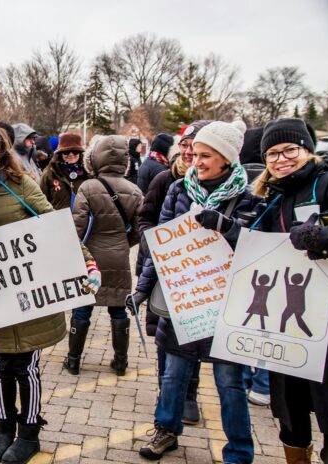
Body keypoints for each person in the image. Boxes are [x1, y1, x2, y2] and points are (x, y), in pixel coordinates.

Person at [0, 123, 100, 464]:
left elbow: (52, 222)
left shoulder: (20, 184)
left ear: (1, 151)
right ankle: (3, 426)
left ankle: (30, 431)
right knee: (1, 363)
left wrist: (88, 262)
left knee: (27, 364)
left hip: (30, 288)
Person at [132, 121, 261, 462]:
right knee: (173, 375)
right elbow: (164, 249)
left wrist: (227, 227)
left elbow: (257, 250)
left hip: (227, 309)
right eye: (194, 154)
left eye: (206, 155)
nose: (196, 160)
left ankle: (239, 450)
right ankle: (166, 430)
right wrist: (142, 289)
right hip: (183, 302)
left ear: (227, 159)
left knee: (230, 384)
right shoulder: (179, 190)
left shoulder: (250, 200)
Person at [252, 118, 328, 463]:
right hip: (286, 329)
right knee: (291, 414)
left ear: (307, 150)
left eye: (290, 150)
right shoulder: (272, 197)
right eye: (272, 153)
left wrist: (325, 238)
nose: (281, 159)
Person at [136, 119, 210, 425]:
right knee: (165, 339)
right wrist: (162, 246)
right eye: (185, 145)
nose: (189, 151)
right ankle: (165, 395)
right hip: (165, 273)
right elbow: (145, 219)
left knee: (196, 335)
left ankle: (190, 394)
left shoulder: (222, 188)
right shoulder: (165, 180)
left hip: (204, 279)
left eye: (196, 146)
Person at [70, 135, 142, 376]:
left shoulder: (88, 188)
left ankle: (73, 360)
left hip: (90, 257)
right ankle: (120, 361)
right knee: (118, 307)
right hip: (120, 256)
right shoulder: (134, 191)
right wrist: (122, 243)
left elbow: (76, 228)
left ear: (95, 158)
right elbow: (139, 231)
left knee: (82, 307)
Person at [39, 133, 90, 375]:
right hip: (56, 235)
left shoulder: (89, 175)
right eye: (66, 152)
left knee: (79, 287)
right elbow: (40, 201)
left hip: (83, 236)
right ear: (59, 154)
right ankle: (49, 324)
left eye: (75, 152)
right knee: (55, 282)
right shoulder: (50, 174)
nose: (71, 156)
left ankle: (73, 347)